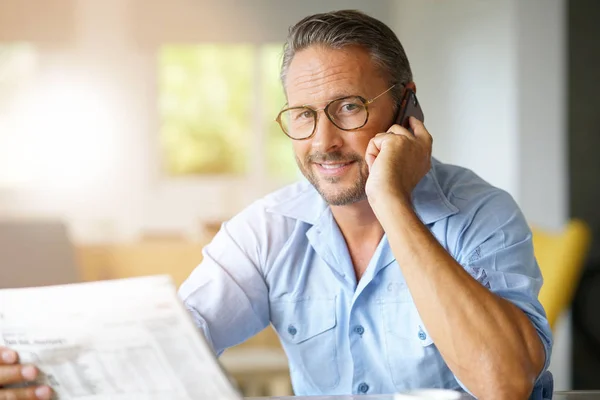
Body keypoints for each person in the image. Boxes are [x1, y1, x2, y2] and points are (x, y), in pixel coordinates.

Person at [0, 9, 552, 400]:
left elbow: (504, 384)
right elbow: (176, 338)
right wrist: (41, 374)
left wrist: (392, 202)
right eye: (304, 115)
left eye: (349, 108)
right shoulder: (268, 230)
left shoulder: (483, 215)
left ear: (406, 107)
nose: (322, 142)